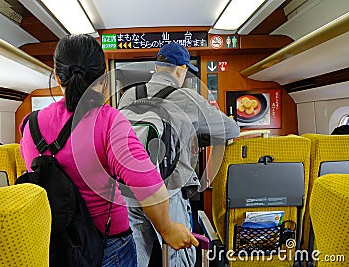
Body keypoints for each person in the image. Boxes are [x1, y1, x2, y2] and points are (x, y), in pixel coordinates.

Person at [19, 34, 198, 267]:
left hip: (52, 241)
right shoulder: (109, 122)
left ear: (57, 77)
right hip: (108, 243)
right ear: (103, 80)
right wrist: (168, 229)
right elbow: (149, 187)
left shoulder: (30, 125)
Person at [118, 42, 240, 266]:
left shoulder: (129, 96)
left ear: (157, 68)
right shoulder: (187, 97)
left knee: (136, 257)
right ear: (181, 69)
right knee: (178, 252)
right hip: (169, 190)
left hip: (129, 191)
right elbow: (231, 129)